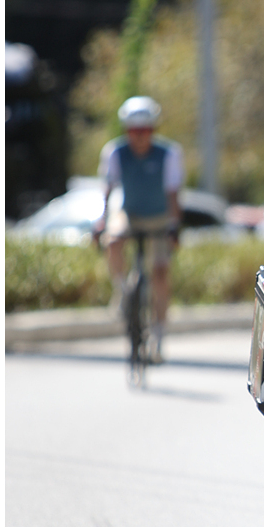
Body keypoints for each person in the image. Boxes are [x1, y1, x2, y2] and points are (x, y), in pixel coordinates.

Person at [94, 96, 183, 363]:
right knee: (113, 241)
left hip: (159, 217)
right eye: (134, 131)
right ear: (127, 130)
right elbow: (108, 190)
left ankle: (159, 335)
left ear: (153, 130)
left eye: (145, 130)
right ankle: (122, 291)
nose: (140, 136)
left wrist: (174, 227)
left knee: (160, 273)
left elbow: (173, 195)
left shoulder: (169, 154)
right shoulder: (115, 152)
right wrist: (102, 221)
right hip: (130, 214)